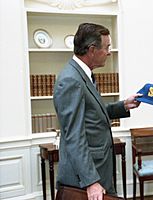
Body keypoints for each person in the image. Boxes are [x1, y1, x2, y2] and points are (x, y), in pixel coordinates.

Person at [53, 23, 141, 200]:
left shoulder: (84, 74)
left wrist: (123, 105)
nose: (109, 52)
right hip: (85, 177)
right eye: (107, 47)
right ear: (92, 50)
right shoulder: (71, 80)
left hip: (99, 167)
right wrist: (91, 181)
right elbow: (74, 136)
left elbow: (91, 114)